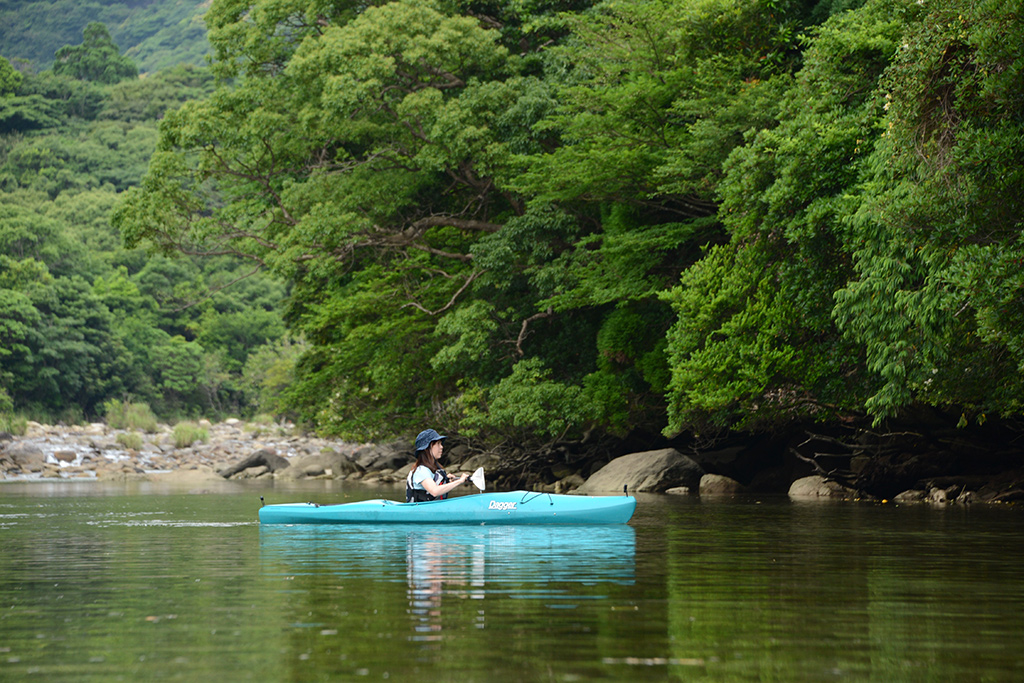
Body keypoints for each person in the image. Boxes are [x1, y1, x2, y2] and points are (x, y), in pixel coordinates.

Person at [406, 428, 468, 503]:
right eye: (438, 444)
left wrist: (446, 480)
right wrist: (459, 481)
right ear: (427, 448)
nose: (441, 447)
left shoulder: (431, 469)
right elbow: (434, 491)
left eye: (441, 444)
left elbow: (433, 484)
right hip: (420, 512)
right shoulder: (421, 470)